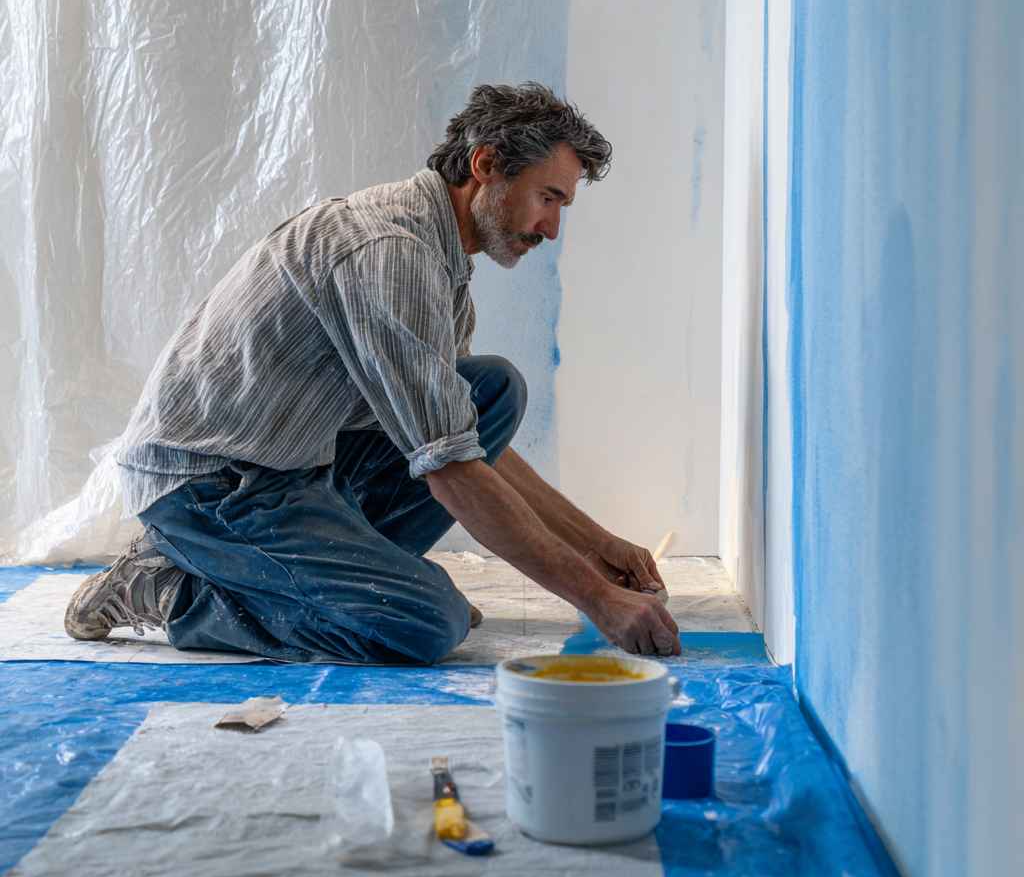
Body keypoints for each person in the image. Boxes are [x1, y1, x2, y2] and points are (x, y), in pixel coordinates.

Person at [64, 82, 681, 664]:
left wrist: (598, 548)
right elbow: (455, 472)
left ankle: (335, 585)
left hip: (293, 466)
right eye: (549, 198)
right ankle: (169, 590)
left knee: (489, 390)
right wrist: (598, 600)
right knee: (424, 623)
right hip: (210, 484)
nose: (551, 227)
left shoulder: (440, 256)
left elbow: (457, 437)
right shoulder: (391, 253)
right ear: (486, 164)